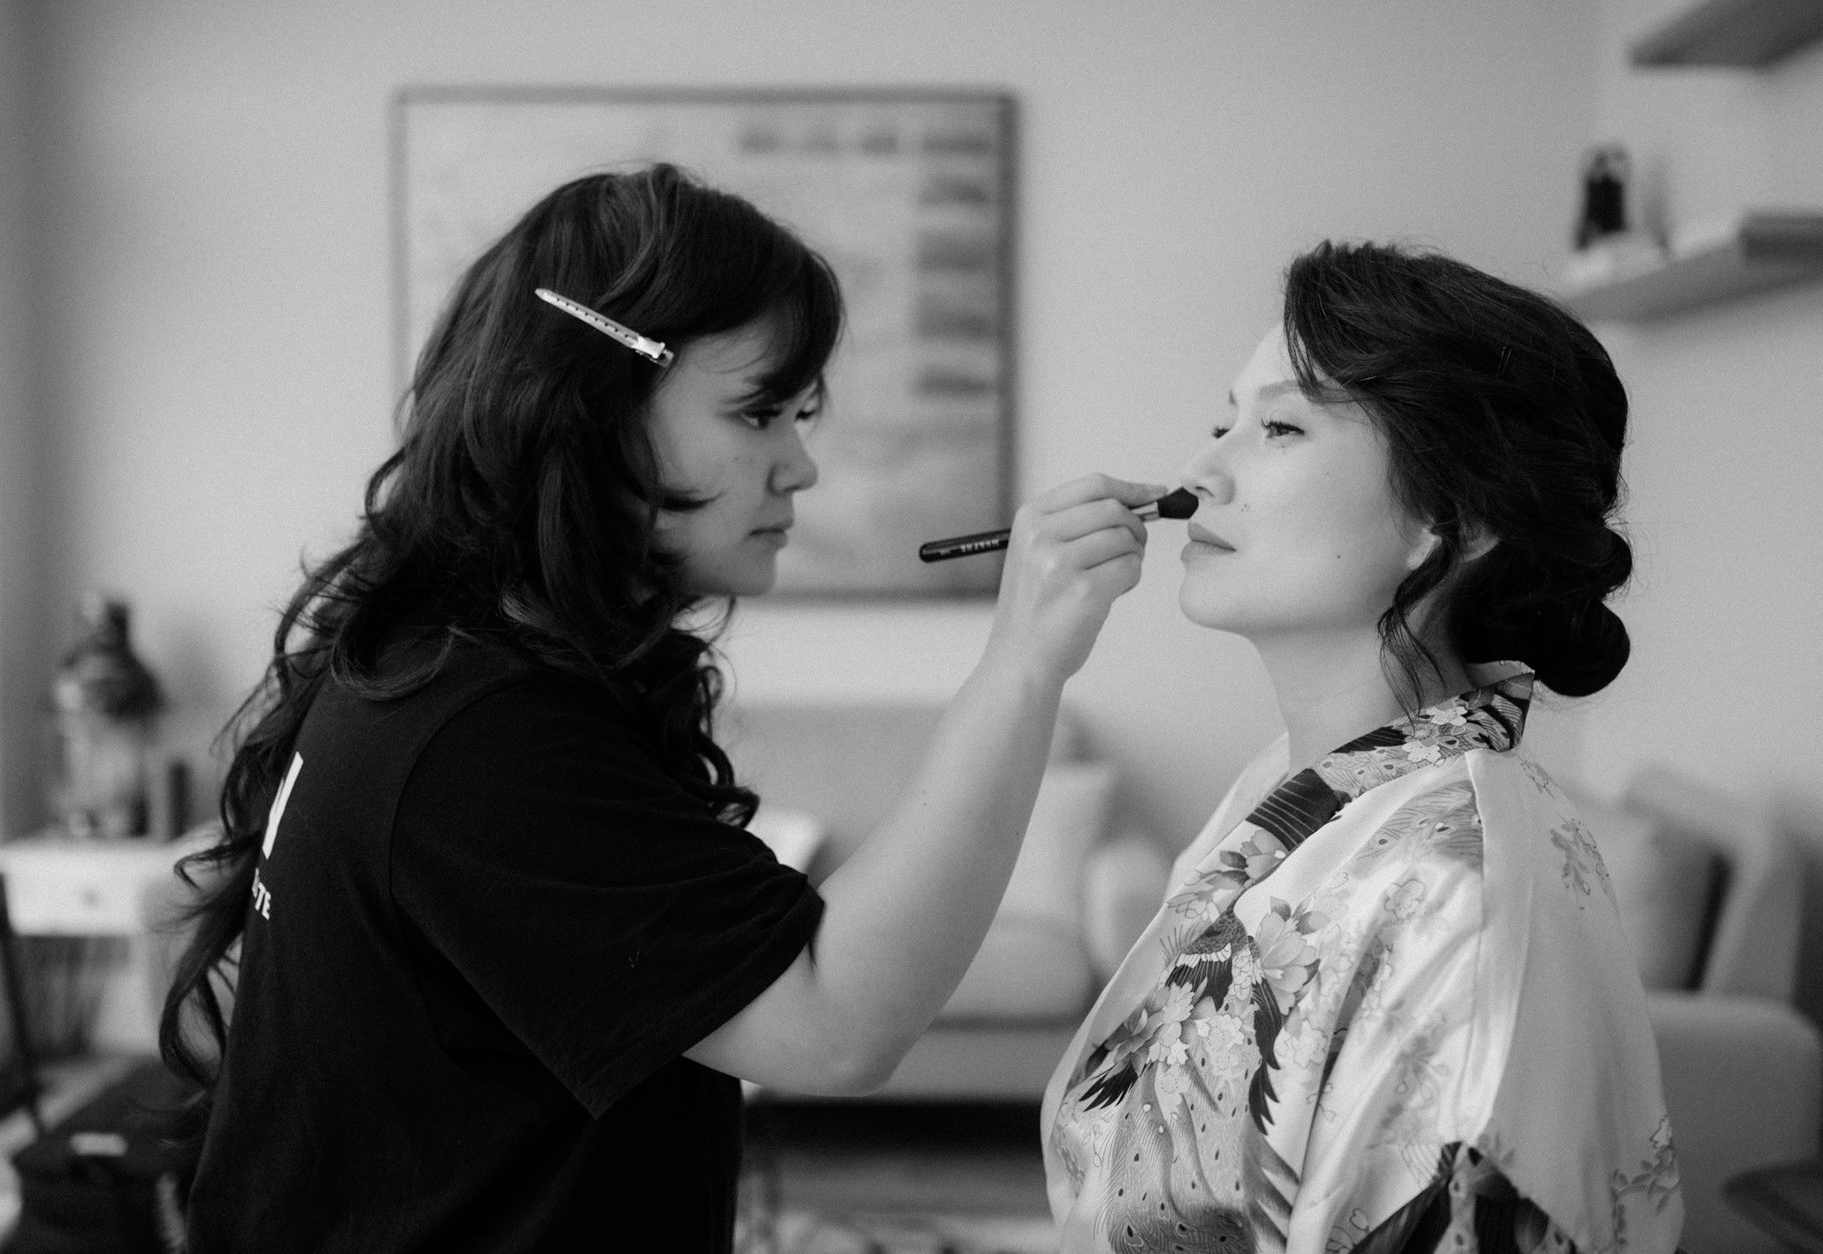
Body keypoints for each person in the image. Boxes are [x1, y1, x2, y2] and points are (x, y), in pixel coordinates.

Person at [156, 162, 1161, 1252]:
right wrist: (1024, 659)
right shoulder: (483, 736)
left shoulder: (445, 655)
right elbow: (834, 1024)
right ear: (594, 405)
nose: (800, 466)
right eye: (758, 412)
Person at [1042, 242, 1683, 1254]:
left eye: (1280, 427)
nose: (1200, 471)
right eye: (1223, 422)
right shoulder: (1300, 791)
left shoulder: (1456, 897)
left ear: (1449, 517)